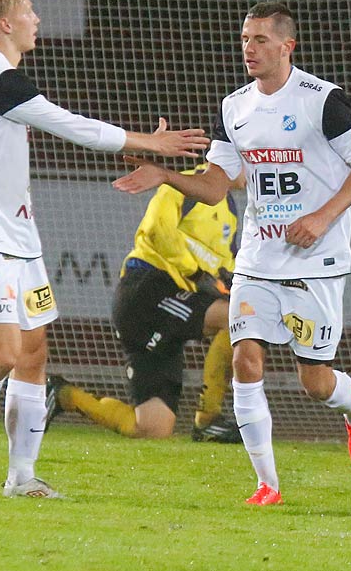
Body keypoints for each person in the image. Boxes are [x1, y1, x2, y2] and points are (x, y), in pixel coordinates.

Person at [0, 0, 207, 499]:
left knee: (34, 352)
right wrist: (149, 141)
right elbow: (72, 126)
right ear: (6, 24)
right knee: (4, 356)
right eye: (28, 11)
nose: (37, 18)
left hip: (19, 236)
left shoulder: (2, 79)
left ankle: (21, 478)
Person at [114, 2, 351, 505]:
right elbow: (217, 185)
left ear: (287, 46)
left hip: (315, 259)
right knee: (247, 361)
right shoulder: (234, 107)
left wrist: (322, 217)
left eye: (260, 40)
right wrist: (165, 175)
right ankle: (267, 486)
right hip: (258, 258)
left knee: (316, 382)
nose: (249, 49)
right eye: (244, 39)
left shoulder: (323, 101)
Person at [49, 164, 242, 441]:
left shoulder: (231, 210)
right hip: (147, 292)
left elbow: (223, 265)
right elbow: (157, 230)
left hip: (169, 308)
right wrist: (197, 274)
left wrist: (230, 282)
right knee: (237, 317)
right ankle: (208, 419)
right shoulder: (187, 184)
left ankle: (62, 394)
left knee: (152, 428)